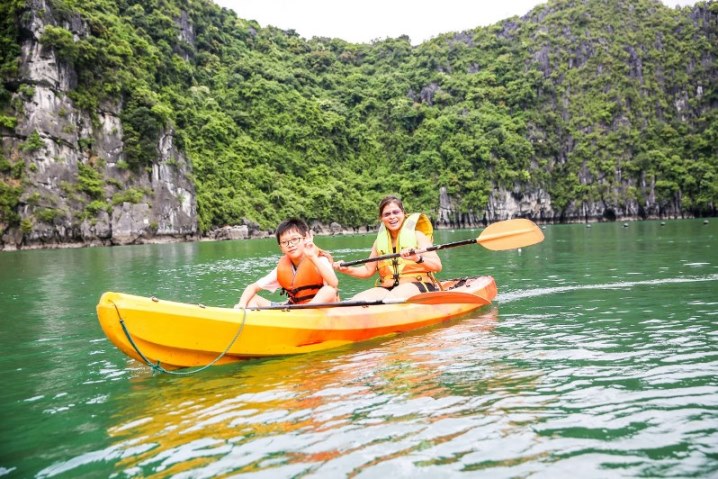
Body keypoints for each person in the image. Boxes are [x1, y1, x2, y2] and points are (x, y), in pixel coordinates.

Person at [334, 195, 442, 301]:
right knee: (357, 300)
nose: (392, 217)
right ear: (381, 218)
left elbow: (437, 266)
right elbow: (368, 270)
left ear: (403, 214)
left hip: (419, 285)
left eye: (396, 212)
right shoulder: (379, 242)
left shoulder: (418, 236)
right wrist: (347, 269)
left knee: (394, 297)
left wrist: (417, 258)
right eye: (387, 214)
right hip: (387, 288)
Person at [234, 218, 339, 308]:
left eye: (295, 239)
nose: (290, 244)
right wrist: (241, 305)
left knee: (329, 291)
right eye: (285, 242)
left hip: (320, 311)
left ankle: (305, 313)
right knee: (251, 299)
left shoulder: (319, 259)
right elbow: (252, 287)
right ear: (281, 248)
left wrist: (312, 257)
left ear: (305, 238)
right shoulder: (283, 267)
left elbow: (333, 284)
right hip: (294, 310)